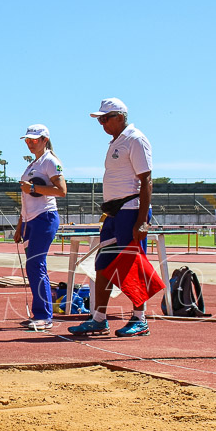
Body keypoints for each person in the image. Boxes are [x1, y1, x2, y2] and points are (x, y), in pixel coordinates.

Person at [68, 98, 154, 338]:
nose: (102, 123)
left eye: (105, 118)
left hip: (131, 210)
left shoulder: (135, 139)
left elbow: (146, 179)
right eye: (100, 120)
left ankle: (140, 318)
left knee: (132, 265)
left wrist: (142, 220)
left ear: (120, 116)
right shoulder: (116, 142)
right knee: (103, 264)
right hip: (113, 212)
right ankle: (98, 318)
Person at [15, 124, 67, 331]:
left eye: (34, 140)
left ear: (45, 140)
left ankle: (44, 315)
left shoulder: (50, 161)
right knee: (33, 266)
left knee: (36, 265)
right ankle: (41, 313)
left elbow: (62, 190)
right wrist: (20, 226)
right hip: (30, 220)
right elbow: (25, 198)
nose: (29, 143)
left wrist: (34, 188)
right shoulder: (31, 165)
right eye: (27, 140)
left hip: (45, 217)